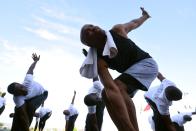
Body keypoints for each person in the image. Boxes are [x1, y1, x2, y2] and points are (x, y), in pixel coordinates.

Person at [80, 7, 158, 131]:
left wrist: (144, 16)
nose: (92, 28)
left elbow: (134, 23)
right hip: (131, 74)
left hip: (147, 64)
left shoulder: (117, 31)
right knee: (106, 94)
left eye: (91, 25)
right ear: (89, 44)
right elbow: (110, 88)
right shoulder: (100, 60)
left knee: (119, 88)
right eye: (87, 32)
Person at [7, 53, 48, 131]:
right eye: (20, 91)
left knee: (31, 106)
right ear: (16, 94)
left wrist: (35, 61)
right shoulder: (17, 99)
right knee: (18, 109)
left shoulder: (27, 81)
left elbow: (31, 69)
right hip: (30, 98)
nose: (23, 90)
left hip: (43, 94)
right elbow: (23, 115)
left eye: (21, 87)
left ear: (20, 83)